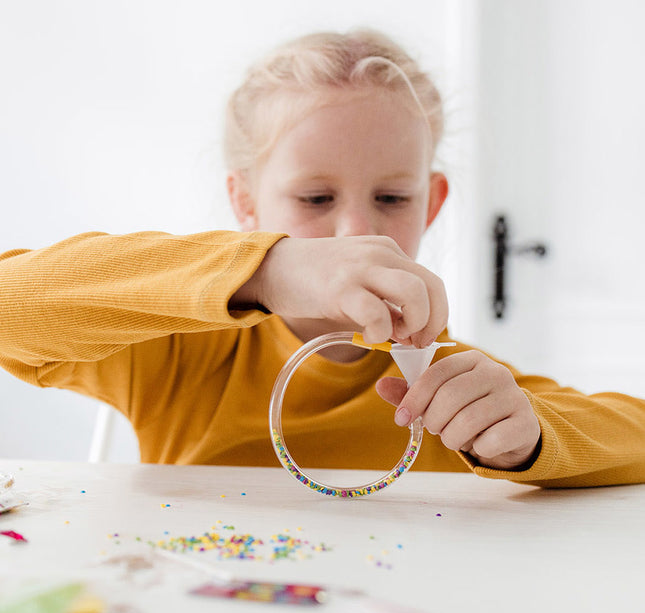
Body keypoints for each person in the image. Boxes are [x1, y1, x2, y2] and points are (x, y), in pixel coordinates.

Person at [0, 29, 643, 487]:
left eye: (392, 197)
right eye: (315, 197)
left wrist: (530, 439)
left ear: (433, 204)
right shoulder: (179, 353)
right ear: (245, 203)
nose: (354, 231)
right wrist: (268, 270)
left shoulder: (452, 384)